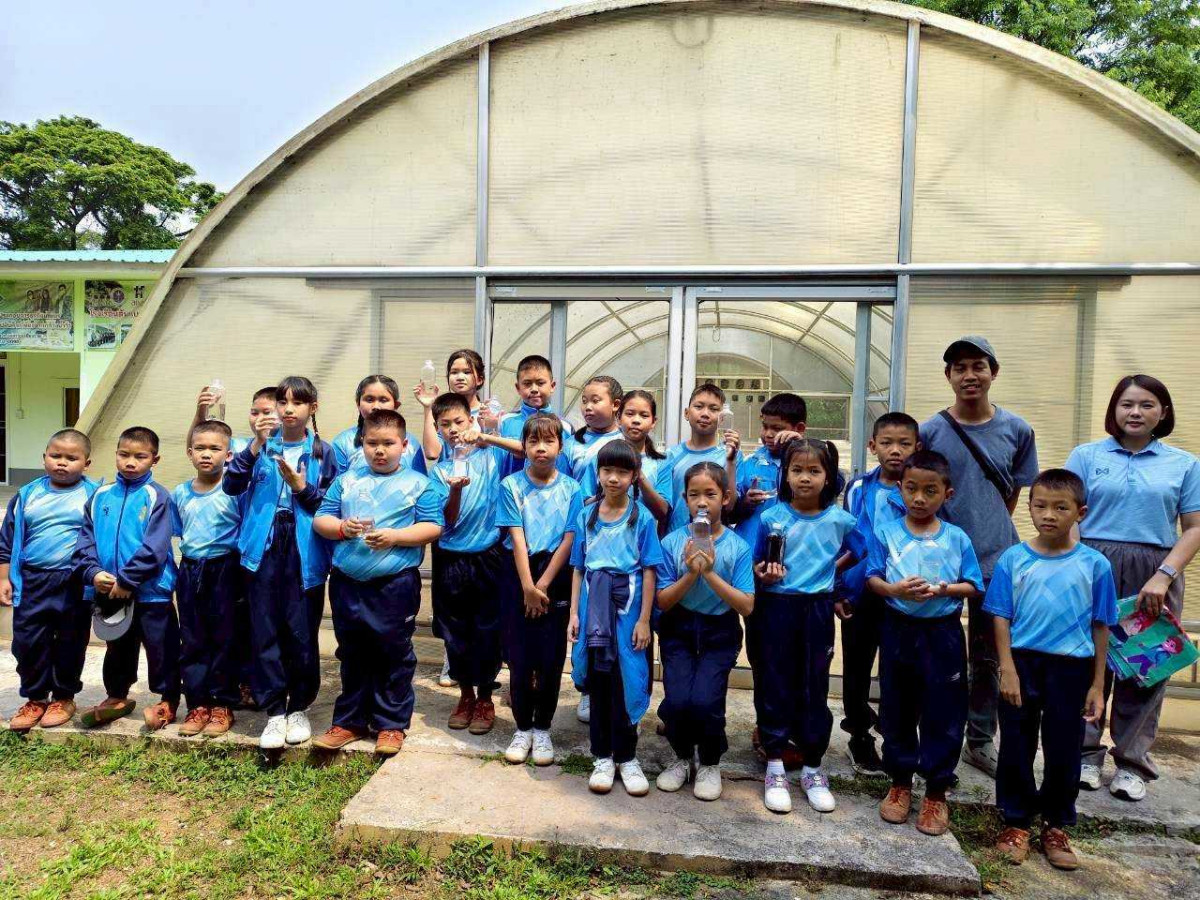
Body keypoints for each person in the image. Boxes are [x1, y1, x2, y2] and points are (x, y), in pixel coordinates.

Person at [1065, 374, 1200, 802]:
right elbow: (1068, 513)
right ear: (1114, 409)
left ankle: (1132, 763)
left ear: (1163, 412)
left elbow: (1194, 528)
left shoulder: (1184, 464)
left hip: (1154, 571)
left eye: (1146, 405)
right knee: (1086, 661)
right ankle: (1084, 755)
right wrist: (1077, 565)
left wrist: (1164, 575)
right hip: (1093, 564)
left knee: (1146, 667)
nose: (1135, 412)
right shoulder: (1087, 456)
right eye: (1127, 404)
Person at [985, 469, 1118, 871]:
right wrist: (1007, 669)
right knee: (1016, 743)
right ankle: (1016, 821)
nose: (1049, 515)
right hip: (1022, 663)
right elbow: (1000, 616)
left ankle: (1056, 824)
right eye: (1040, 505)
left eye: (1061, 508)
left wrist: (1097, 684)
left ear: (1080, 513)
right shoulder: (1013, 559)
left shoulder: (1095, 565)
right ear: (1028, 508)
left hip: (1072, 669)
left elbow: (1101, 625)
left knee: (1064, 748)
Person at [919, 336, 1038, 778]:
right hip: (939, 561)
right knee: (935, 649)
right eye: (960, 368)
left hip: (995, 559)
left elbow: (1013, 493)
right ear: (948, 376)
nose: (969, 376)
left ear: (993, 372)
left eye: (978, 366)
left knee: (989, 654)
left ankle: (981, 738)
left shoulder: (1017, 430)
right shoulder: (931, 431)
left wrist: (988, 530)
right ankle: (934, 731)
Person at [312, 409, 444, 756]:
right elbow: (321, 519)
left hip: (394, 584)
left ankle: (390, 724)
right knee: (352, 651)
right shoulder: (347, 481)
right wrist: (342, 528)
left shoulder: (419, 484)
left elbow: (433, 527)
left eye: (388, 443)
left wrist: (395, 537)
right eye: (372, 443)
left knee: (392, 652)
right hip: (347, 582)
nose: (380, 450)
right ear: (362, 444)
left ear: (404, 445)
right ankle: (350, 721)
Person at [866, 450, 984, 837]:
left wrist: (945, 590)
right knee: (896, 705)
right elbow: (873, 577)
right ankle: (900, 781)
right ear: (900, 489)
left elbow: (973, 585)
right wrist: (894, 589)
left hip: (942, 632)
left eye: (930, 491)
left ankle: (936, 790)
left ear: (947, 494)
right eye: (912, 489)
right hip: (898, 628)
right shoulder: (887, 532)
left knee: (944, 710)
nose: (919, 498)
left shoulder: (957, 538)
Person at [224, 376, 337, 749]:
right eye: (282, 402)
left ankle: (299, 706)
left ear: (312, 408)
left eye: (298, 403)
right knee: (264, 630)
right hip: (262, 548)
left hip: (304, 549)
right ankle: (273, 710)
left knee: (301, 631)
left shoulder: (323, 451)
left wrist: (301, 487)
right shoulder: (256, 448)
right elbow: (231, 486)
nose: (289, 409)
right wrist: (257, 444)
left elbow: (330, 505)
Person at [752, 438, 857, 815]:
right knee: (775, 682)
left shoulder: (841, 520)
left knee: (815, 685)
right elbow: (758, 562)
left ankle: (813, 767)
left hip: (817, 609)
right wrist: (764, 573)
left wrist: (833, 573)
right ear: (785, 475)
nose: (805, 478)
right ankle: (775, 764)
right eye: (797, 470)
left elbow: (862, 551)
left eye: (814, 471)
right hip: (777, 606)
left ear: (829, 477)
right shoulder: (771, 516)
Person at [655, 462, 755, 801]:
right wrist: (690, 573)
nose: (702, 502)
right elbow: (663, 601)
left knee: (705, 700)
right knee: (678, 699)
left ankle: (710, 761)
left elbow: (746, 605)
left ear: (725, 498)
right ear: (684, 498)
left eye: (710, 494)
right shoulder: (672, 543)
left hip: (719, 629)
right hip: (679, 626)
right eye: (694, 494)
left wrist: (709, 573)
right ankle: (682, 756)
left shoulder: (737, 547)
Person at [569, 439, 663, 797]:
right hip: (594, 613)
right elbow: (578, 567)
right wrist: (574, 613)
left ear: (634, 476)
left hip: (629, 613)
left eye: (622, 472)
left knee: (628, 681)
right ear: (598, 473)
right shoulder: (587, 515)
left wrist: (644, 620)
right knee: (599, 682)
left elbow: (650, 570)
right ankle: (602, 757)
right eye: (607, 470)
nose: (613, 478)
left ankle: (627, 757)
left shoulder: (643, 518)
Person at [75, 427, 180, 731]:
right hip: (109, 589)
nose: (131, 462)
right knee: (118, 645)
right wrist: (93, 573)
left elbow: (156, 546)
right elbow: (85, 539)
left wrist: (128, 579)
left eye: (140, 456)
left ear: (155, 459)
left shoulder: (157, 496)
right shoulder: (100, 495)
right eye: (124, 455)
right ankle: (117, 695)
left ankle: (168, 699)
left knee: (161, 647)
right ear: (116, 454)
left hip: (152, 591)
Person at [497, 413, 583, 765]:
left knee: (550, 656)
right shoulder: (511, 486)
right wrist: (528, 587)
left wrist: (543, 584)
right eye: (533, 441)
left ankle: (543, 727)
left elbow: (569, 539)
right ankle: (522, 727)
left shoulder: (573, 489)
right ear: (524, 447)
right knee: (519, 655)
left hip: (555, 574)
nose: (541, 448)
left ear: (561, 447)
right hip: (519, 573)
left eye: (549, 441)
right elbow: (516, 538)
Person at [0, 429, 99, 732]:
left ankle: (64, 697)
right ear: (44, 458)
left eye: (72, 458)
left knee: (71, 640)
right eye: (56, 456)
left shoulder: (95, 495)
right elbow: (7, 541)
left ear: (86, 463)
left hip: (74, 581)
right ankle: (36, 698)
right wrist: (4, 577)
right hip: (33, 580)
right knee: (28, 642)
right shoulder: (27, 495)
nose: (62, 462)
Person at [839, 412, 921, 776]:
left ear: (918, 447)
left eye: (904, 444)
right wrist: (840, 589)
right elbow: (846, 540)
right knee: (856, 666)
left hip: (902, 595)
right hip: (860, 592)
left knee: (899, 669)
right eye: (887, 443)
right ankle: (858, 735)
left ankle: (896, 738)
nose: (895, 450)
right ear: (873, 446)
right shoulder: (858, 488)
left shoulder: (919, 489)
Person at [429, 392, 510, 736]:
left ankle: (485, 698)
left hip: (488, 555)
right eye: (444, 424)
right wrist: (456, 490)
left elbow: (526, 450)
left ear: (471, 420)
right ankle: (464, 696)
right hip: (451, 558)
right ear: (437, 428)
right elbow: (446, 519)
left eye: (459, 421)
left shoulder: (492, 456)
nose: (453, 429)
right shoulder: (439, 471)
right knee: (455, 631)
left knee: (488, 630)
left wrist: (488, 435)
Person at [171, 420, 244, 737]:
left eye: (215, 448)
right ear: (190, 453)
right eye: (200, 448)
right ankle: (197, 704)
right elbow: (177, 531)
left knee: (225, 638)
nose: (206, 454)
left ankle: (222, 705)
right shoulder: (180, 493)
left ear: (228, 455)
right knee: (193, 639)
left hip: (225, 568)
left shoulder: (235, 491)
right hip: (190, 569)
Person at [662, 383, 741, 533]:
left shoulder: (731, 455)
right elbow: (664, 508)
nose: (705, 413)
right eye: (699, 407)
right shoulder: (670, 455)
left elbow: (730, 507)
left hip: (715, 540)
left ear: (722, 418)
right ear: (686, 413)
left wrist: (731, 462)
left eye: (713, 409)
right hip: (676, 538)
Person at [733, 392, 807, 549]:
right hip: (750, 552)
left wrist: (802, 448)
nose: (767, 434)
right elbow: (729, 513)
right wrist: (746, 503)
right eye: (765, 427)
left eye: (776, 428)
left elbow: (833, 489)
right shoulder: (750, 463)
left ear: (799, 429)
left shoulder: (812, 465)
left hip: (794, 553)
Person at [332, 375, 426, 477]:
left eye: (383, 400)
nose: (376, 406)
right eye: (369, 400)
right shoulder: (343, 442)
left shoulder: (412, 444)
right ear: (358, 404)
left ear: (396, 405)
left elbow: (420, 480)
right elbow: (336, 483)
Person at [498, 355, 568, 479]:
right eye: (527, 384)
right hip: (511, 490)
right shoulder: (504, 422)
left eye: (540, 383)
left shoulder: (565, 427)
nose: (534, 389)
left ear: (552, 386)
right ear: (518, 388)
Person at [613, 389, 670, 524]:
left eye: (644, 415)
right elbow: (585, 501)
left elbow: (663, 512)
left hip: (645, 534)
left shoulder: (661, 462)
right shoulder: (604, 457)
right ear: (618, 418)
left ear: (653, 422)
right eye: (630, 414)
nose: (636, 420)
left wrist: (640, 476)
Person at [563, 376, 627, 492]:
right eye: (584, 401)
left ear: (615, 404)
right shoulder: (570, 445)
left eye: (595, 401)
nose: (587, 407)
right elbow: (562, 490)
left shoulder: (628, 441)